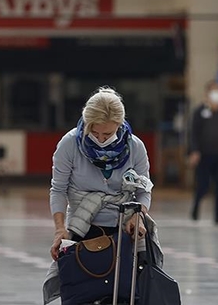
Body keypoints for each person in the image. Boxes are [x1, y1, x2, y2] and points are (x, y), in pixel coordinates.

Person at [48, 86, 152, 286]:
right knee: (80, 290)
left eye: (108, 133)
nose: (101, 139)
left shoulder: (135, 147)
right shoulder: (69, 145)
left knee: (126, 292)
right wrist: (60, 229)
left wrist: (139, 216)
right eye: (94, 132)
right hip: (81, 228)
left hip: (122, 230)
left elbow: (143, 190)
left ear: (119, 126)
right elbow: (58, 189)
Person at [188, 80, 218, 226]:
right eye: (214, 91)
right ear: (207, 93)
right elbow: (194, 134)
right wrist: (194, 151)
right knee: (203, 185)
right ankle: (196, 207)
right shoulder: (200, 112)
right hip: (204, 155)